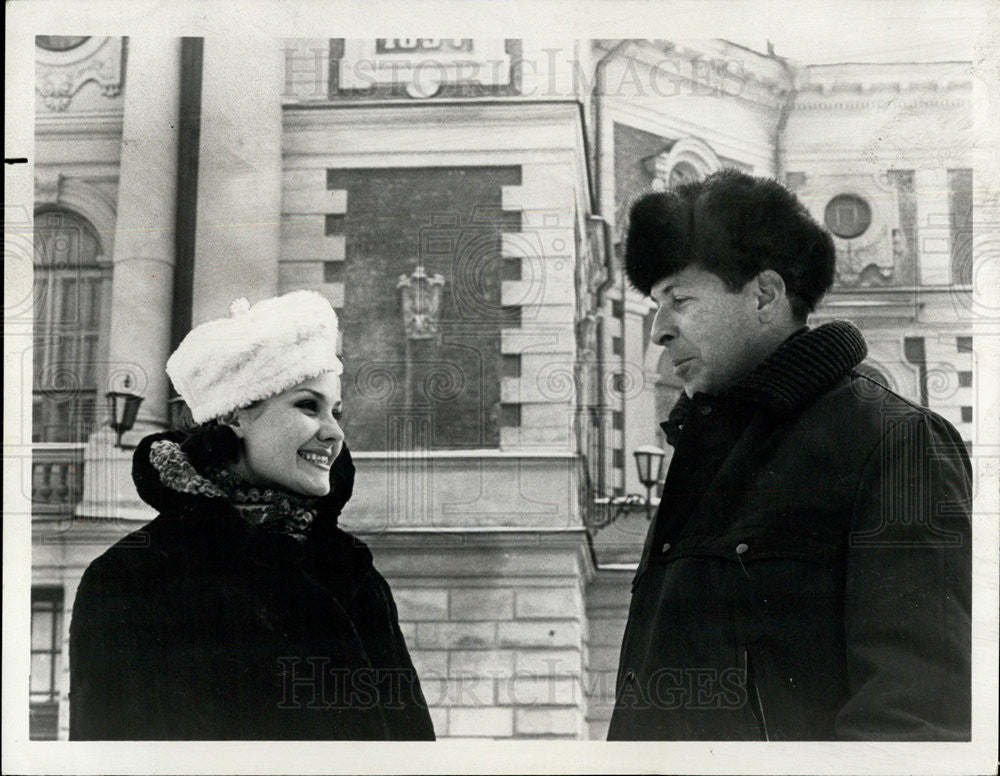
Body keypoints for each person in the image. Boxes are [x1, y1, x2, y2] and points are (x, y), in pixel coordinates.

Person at [607, 169, 971, 741]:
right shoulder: (700, 454)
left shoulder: (893, 441)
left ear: (765, 295)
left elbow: (916, 718)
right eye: (656, 304)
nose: (659, 331)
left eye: (679, 300)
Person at [70, 291, 435, 740]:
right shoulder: (133, 579)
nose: (335, 433)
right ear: (236, 416)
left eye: (336, 411)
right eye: (308, 406)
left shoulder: (351, 569)